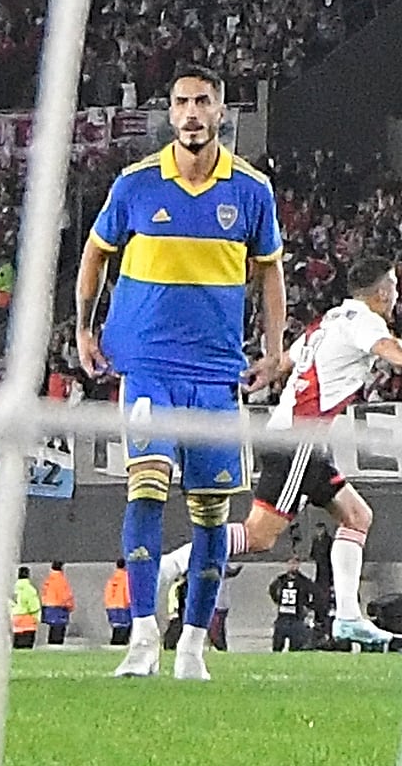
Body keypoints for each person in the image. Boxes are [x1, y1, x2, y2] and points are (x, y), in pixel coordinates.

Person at [73, 70, 285, 684]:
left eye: (203, 103)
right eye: (182, 104)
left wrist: (274, 348)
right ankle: (142, 637)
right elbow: (95, 253)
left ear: (221, 112)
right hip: (147, 369)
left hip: (216, 375)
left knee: (212, 512)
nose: (192, 113)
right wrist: (84, 329)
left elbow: (269, 272)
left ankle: (191, 646)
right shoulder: (136, 184)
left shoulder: (250, 191)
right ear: (170, 114)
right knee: (145, 486)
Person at [236, 251, 397, 650]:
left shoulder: (330, 319)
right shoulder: (364, 321)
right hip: (298, 439)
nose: (396, 294)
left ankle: (347, 618)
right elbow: (389, 351)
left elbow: (288, 359)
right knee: (258, 538)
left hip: (303, 440)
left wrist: (261, 374)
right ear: (381, 292)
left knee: (357, 517)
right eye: (393, 286)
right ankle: (172, 565)